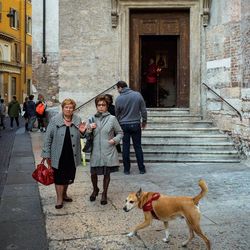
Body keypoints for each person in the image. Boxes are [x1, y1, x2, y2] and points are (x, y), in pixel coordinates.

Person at [41, 98, 87, 209]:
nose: (68, 109)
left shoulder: (77, 119)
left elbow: (81, 136)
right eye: (66, 107)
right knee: (59, 177)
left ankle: (64, 194)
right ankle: (59, 199)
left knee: (69, 176)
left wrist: (83, 132)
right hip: (58, 154)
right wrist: (46, 154)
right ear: (62, 108)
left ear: (74, 109)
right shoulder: (54, 120)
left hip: (72, 153)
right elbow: (48, 138)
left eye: (71, 107)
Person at [86, 95, 123, 205]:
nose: (101, 107)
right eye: (99, 105)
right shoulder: (92, 118)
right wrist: (89, 129)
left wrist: (114, 140)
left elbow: (120, 132)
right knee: (93, 173)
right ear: (96, 106)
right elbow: (86, 136)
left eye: (103, 105)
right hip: (96, 151)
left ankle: (104, 193)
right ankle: (95, 189)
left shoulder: (112, 119)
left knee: (107, 174)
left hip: (108, 150)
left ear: (107, 106)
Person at [115, 81, 147, 175]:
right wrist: (144, 121)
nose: (118, 91)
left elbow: (117, 114)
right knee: (138, 147)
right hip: (136, 124)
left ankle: (126, 170)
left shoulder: (119, 99)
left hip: (124, 125)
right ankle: (141, 169)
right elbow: (143, 110)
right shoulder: (137, 95)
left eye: (118, 89)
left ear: (120, 87)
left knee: (125, 147)